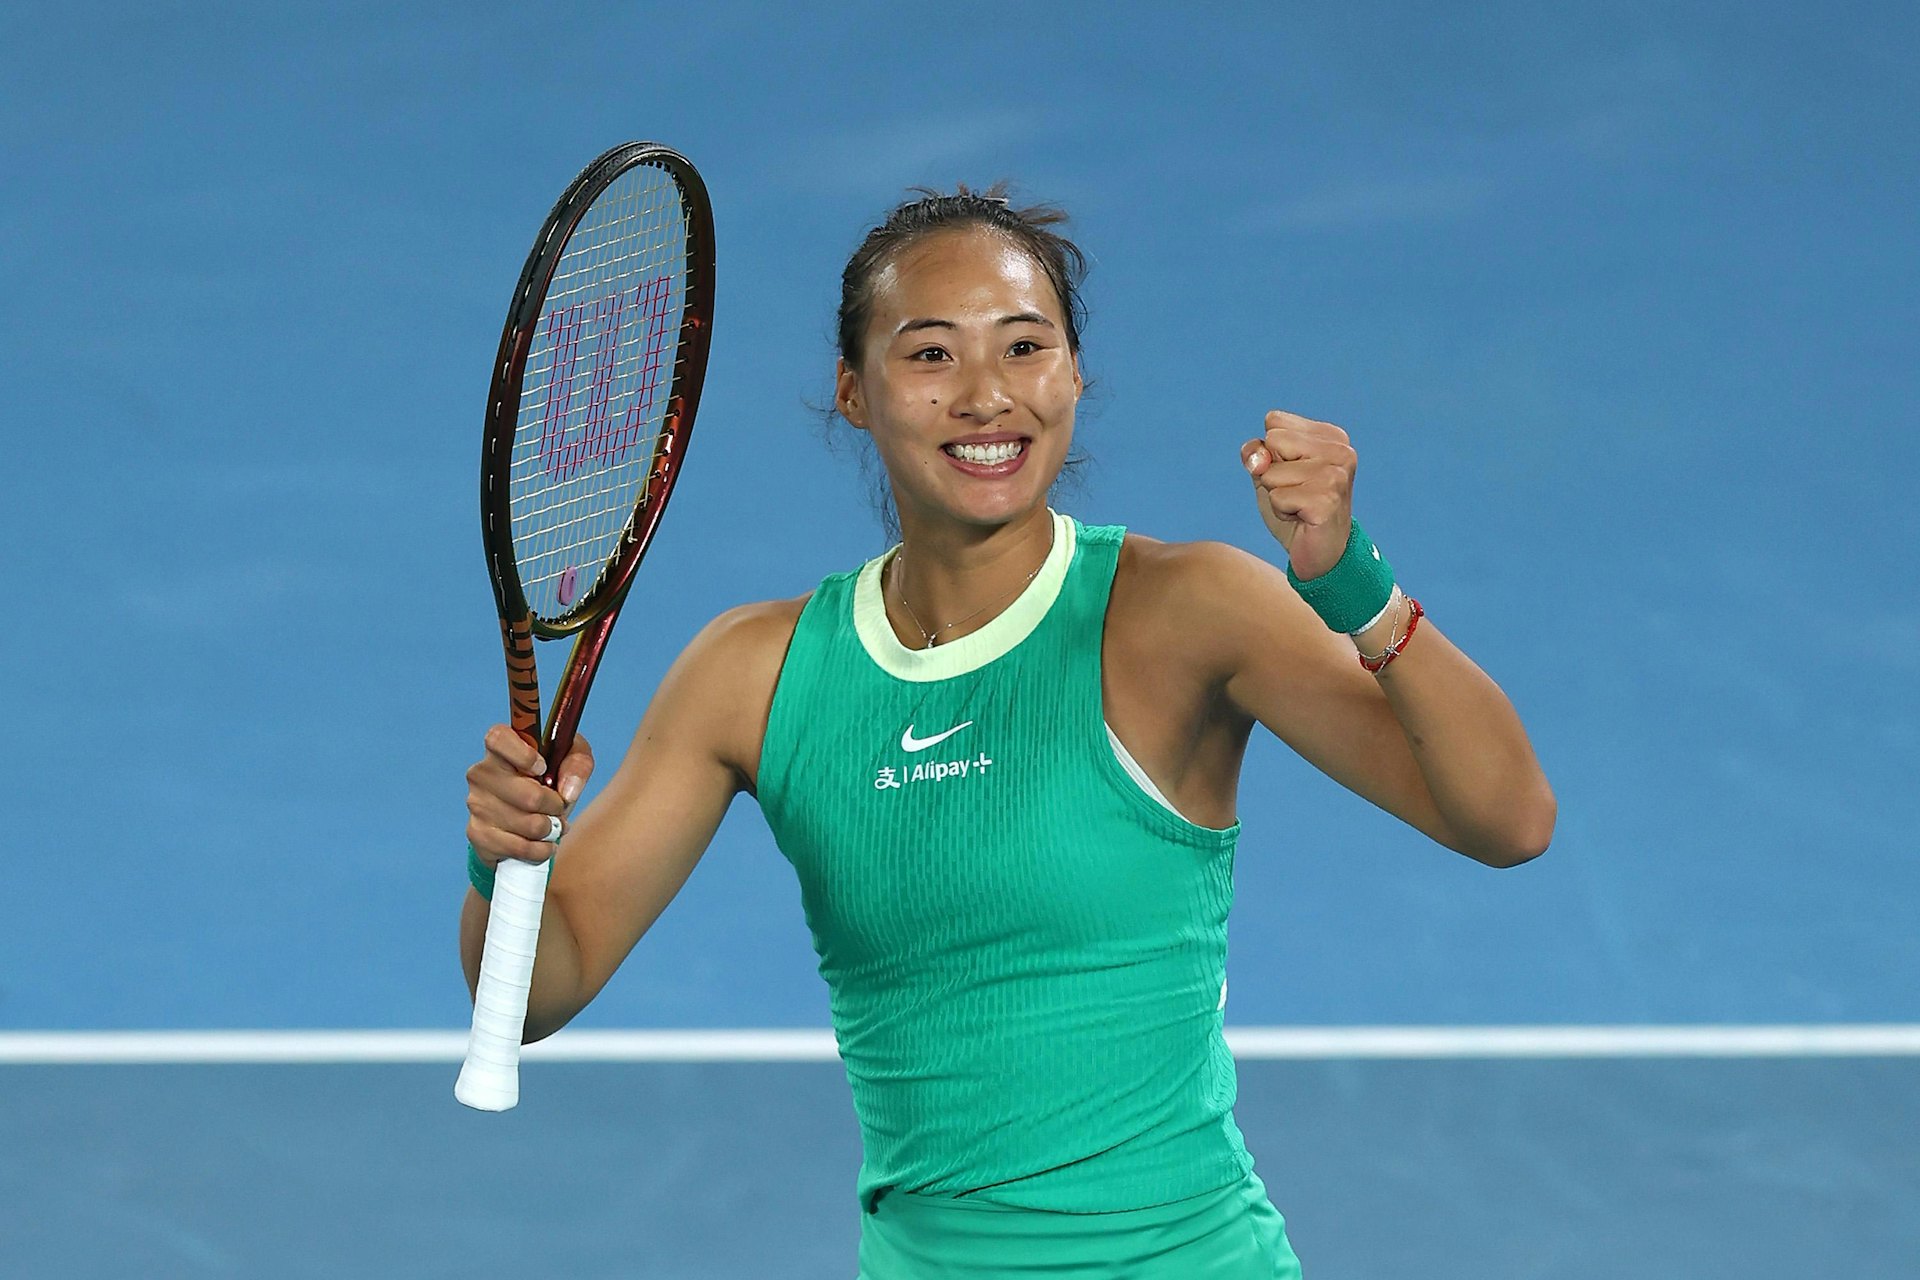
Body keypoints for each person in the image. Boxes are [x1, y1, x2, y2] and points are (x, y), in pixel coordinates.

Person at [461, 188, 1556, 1277]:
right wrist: (502, 852)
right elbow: (532, 990)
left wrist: (1350, 585)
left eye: (1026, 346)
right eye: (931, 355)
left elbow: (1507, 817)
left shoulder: (1181, 611)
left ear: (1074, 372)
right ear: (854, 391)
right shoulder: (751, 674)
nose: (988, 397)